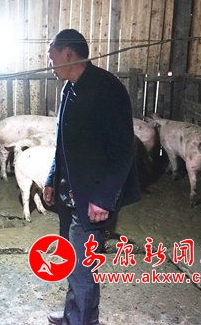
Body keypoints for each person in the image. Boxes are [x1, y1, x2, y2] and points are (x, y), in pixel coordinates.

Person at [43, 29, 140, 325]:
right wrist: (51, 179)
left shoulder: (107, 89)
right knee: (74, 262)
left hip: (93, 199)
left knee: (83, 267)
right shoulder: (69, 89)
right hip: (70, 193)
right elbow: (63, 144)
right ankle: (75, 314)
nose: (50, 64)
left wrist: (103, 198)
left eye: (51, 58)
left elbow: (123, 151)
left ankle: (82, 321)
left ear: (67, 55)